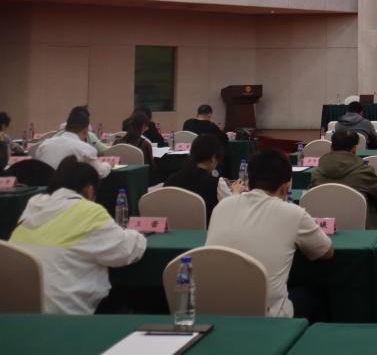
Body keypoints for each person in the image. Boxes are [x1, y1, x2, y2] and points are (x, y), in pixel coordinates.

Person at [10, 157, 146, 313]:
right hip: (64, 312)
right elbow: (124, 250)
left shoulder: (34, 205)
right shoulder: (88, 211)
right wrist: (138, 235)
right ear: (90, 190)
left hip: (16, 310)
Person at [207, 149, 333, 317]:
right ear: (284, 188)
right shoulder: (293, 213)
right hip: (267, 316)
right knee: (317, 293)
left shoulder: (222, 206)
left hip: (215, 310)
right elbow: (326, 251)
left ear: (249, 182)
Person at [310, 128, 377, 227]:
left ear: (331, 147)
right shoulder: (364, 171)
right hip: (361, 228)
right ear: (354, 148)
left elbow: (310, 196)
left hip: (324, 228)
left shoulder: (316, 172)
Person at [165, 133, 240, 223]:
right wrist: (236, 192)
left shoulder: (171, 180)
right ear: (213, 158)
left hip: (174, 229)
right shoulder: (216, 184)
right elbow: (231, 208)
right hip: (206, 230)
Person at [37, 106, 111, 178]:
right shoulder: (86, 149)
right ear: (86, 132)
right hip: (70, 186)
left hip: (46, 185)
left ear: (65, 127)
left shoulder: (44, 145)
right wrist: (109, 164)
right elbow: (100, 173)